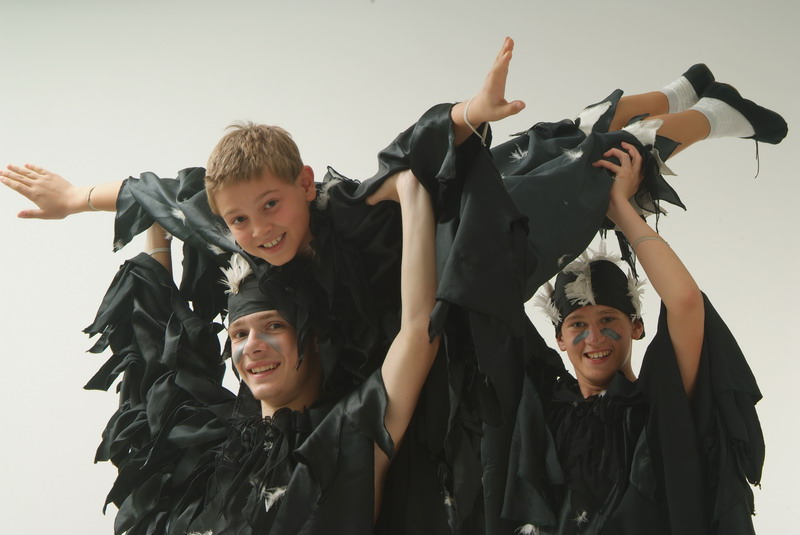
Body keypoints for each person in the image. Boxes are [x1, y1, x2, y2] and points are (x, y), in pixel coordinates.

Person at [86, 168, 450, 534]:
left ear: (314, 339)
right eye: (239, 334)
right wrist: (155, 217)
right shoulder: (216, 453)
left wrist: (410, 189)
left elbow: (418, 332)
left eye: (274, 326)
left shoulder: (345, 434)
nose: (253, 346)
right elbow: (160, 369)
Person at [500, 144, 763, 534]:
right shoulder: (540, 409)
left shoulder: (659, 403)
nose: (594, 336)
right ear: (558, 338)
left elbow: (686, 302)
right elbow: (483, 293)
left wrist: (620, 209)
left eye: (608, 319)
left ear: (636, 326)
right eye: (577, 325)